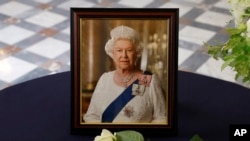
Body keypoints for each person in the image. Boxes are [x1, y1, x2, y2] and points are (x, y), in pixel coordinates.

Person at [83, 25, 166, 123]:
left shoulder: (149, 80)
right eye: (119, 50)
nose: (124, 55)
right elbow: (91, 116)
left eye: (129, 50)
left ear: (137, 53)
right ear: (113, 54)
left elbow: (161, 118)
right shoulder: (104, 79)